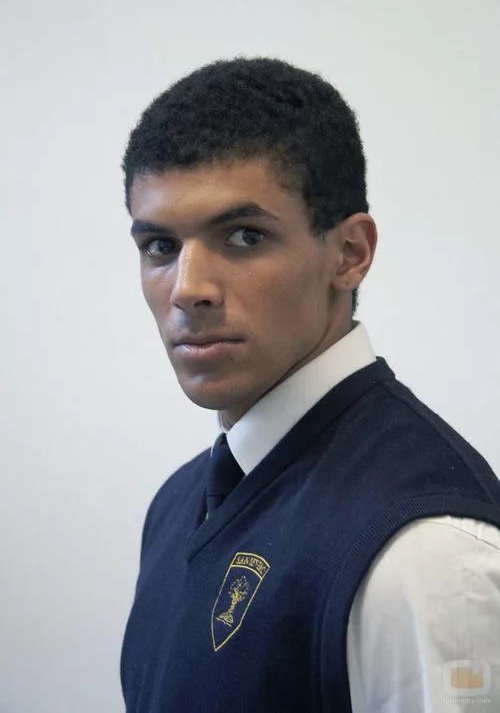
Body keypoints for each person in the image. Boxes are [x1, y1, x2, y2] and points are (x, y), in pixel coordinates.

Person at [119, 57, 500, 712]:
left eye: (244, 236)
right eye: (160, 246)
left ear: (350, 253)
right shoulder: (176, 506)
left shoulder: (425, 552)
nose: (188, 288)